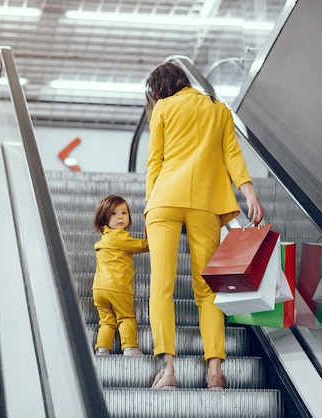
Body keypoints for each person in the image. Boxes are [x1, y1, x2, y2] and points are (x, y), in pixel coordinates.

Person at [143, 62, 264, 390]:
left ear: (159, 90)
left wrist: (148, 207)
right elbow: (232, 155)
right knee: (208, 291)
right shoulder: (218, 109)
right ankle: (214, 371)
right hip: (206, 204)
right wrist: (249, 192)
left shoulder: (164, 107)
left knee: (162, 286)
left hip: (165, 199)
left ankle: (167, 371)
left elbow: (155, 162)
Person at [92, 194, 149, 356]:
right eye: (114, 214)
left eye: (124, 213)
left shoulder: (104, 239)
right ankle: (130, 347)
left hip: (99, 289)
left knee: (107, 321)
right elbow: (141, 246)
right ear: (104, 218)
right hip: (118, 287)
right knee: (126, 317)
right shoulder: (120, 236)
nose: (120, 217)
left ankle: (102, 348)